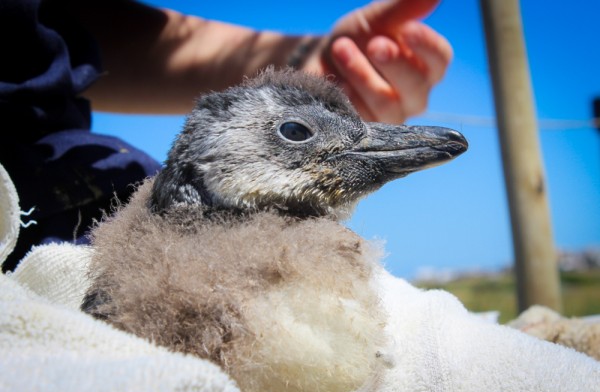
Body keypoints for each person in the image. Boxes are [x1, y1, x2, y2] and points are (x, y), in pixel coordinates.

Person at [0, 0, 452, 271]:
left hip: (77, 191)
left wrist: (304, 60)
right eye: (294, 133)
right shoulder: (139, 262)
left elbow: (55, 23)